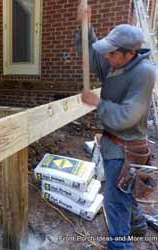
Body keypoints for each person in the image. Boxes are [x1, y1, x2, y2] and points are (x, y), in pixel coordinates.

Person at [76, 3, 156, 250]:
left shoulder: (144, 73)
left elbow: (126, 116)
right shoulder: (116, 63)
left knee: (115, 201)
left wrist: (98, 102)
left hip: (126, 149)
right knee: (126, 192)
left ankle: (120, 246)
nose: (106, 57)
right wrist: (85, 26)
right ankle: (139, 226)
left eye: (111, 54)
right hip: (114, 143)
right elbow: (90, 55)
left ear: (129, 53)